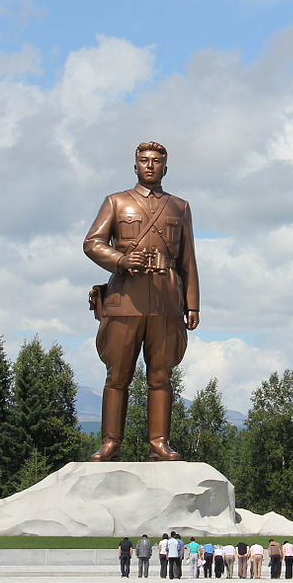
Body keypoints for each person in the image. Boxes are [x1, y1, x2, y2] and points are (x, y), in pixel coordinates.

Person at [84, 142, 199, 462]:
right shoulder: (116, 202)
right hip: (124, 299)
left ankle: (159, 443)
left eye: (156, 161)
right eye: (144, 161)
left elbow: (188, 259)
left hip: (166, 301)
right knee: (117, 374)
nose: (150, 166)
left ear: (165, 167)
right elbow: (92, 243)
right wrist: (120, 260)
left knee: (161, 375)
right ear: (135, 166)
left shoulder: (180, 207)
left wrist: (192, 304)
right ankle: (110, 443)